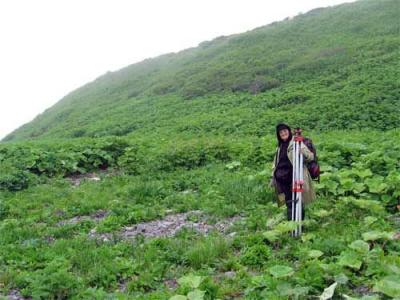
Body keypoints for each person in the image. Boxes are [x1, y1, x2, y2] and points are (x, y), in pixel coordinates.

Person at [270, 123, 316, 221]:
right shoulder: (279, 147)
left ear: (289, 131)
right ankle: (291, 226)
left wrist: (302, 152)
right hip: (282, 181)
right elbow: (275, 164)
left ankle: (298, 226)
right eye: (281, 132)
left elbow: (311, 156)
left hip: (294, 178)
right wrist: (272, 177)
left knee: (298, 202)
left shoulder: (296, 143)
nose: (283, 133)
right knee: (288, 203)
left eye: (285, 131)